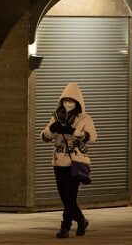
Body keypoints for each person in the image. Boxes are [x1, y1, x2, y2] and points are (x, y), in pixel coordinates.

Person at [40, 82, 98, 238]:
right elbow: (45, 137)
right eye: (65, 100)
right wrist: (51, 129)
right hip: (59, 161)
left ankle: (65, 226)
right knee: (64, 197)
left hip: (75, 161)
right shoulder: (56, 116)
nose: (68, 104)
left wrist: (74, 131)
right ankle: (81, 220)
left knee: (70, 195)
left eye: (71, 101)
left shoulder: (85, 118)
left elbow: (92, 137)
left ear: (77, 102)